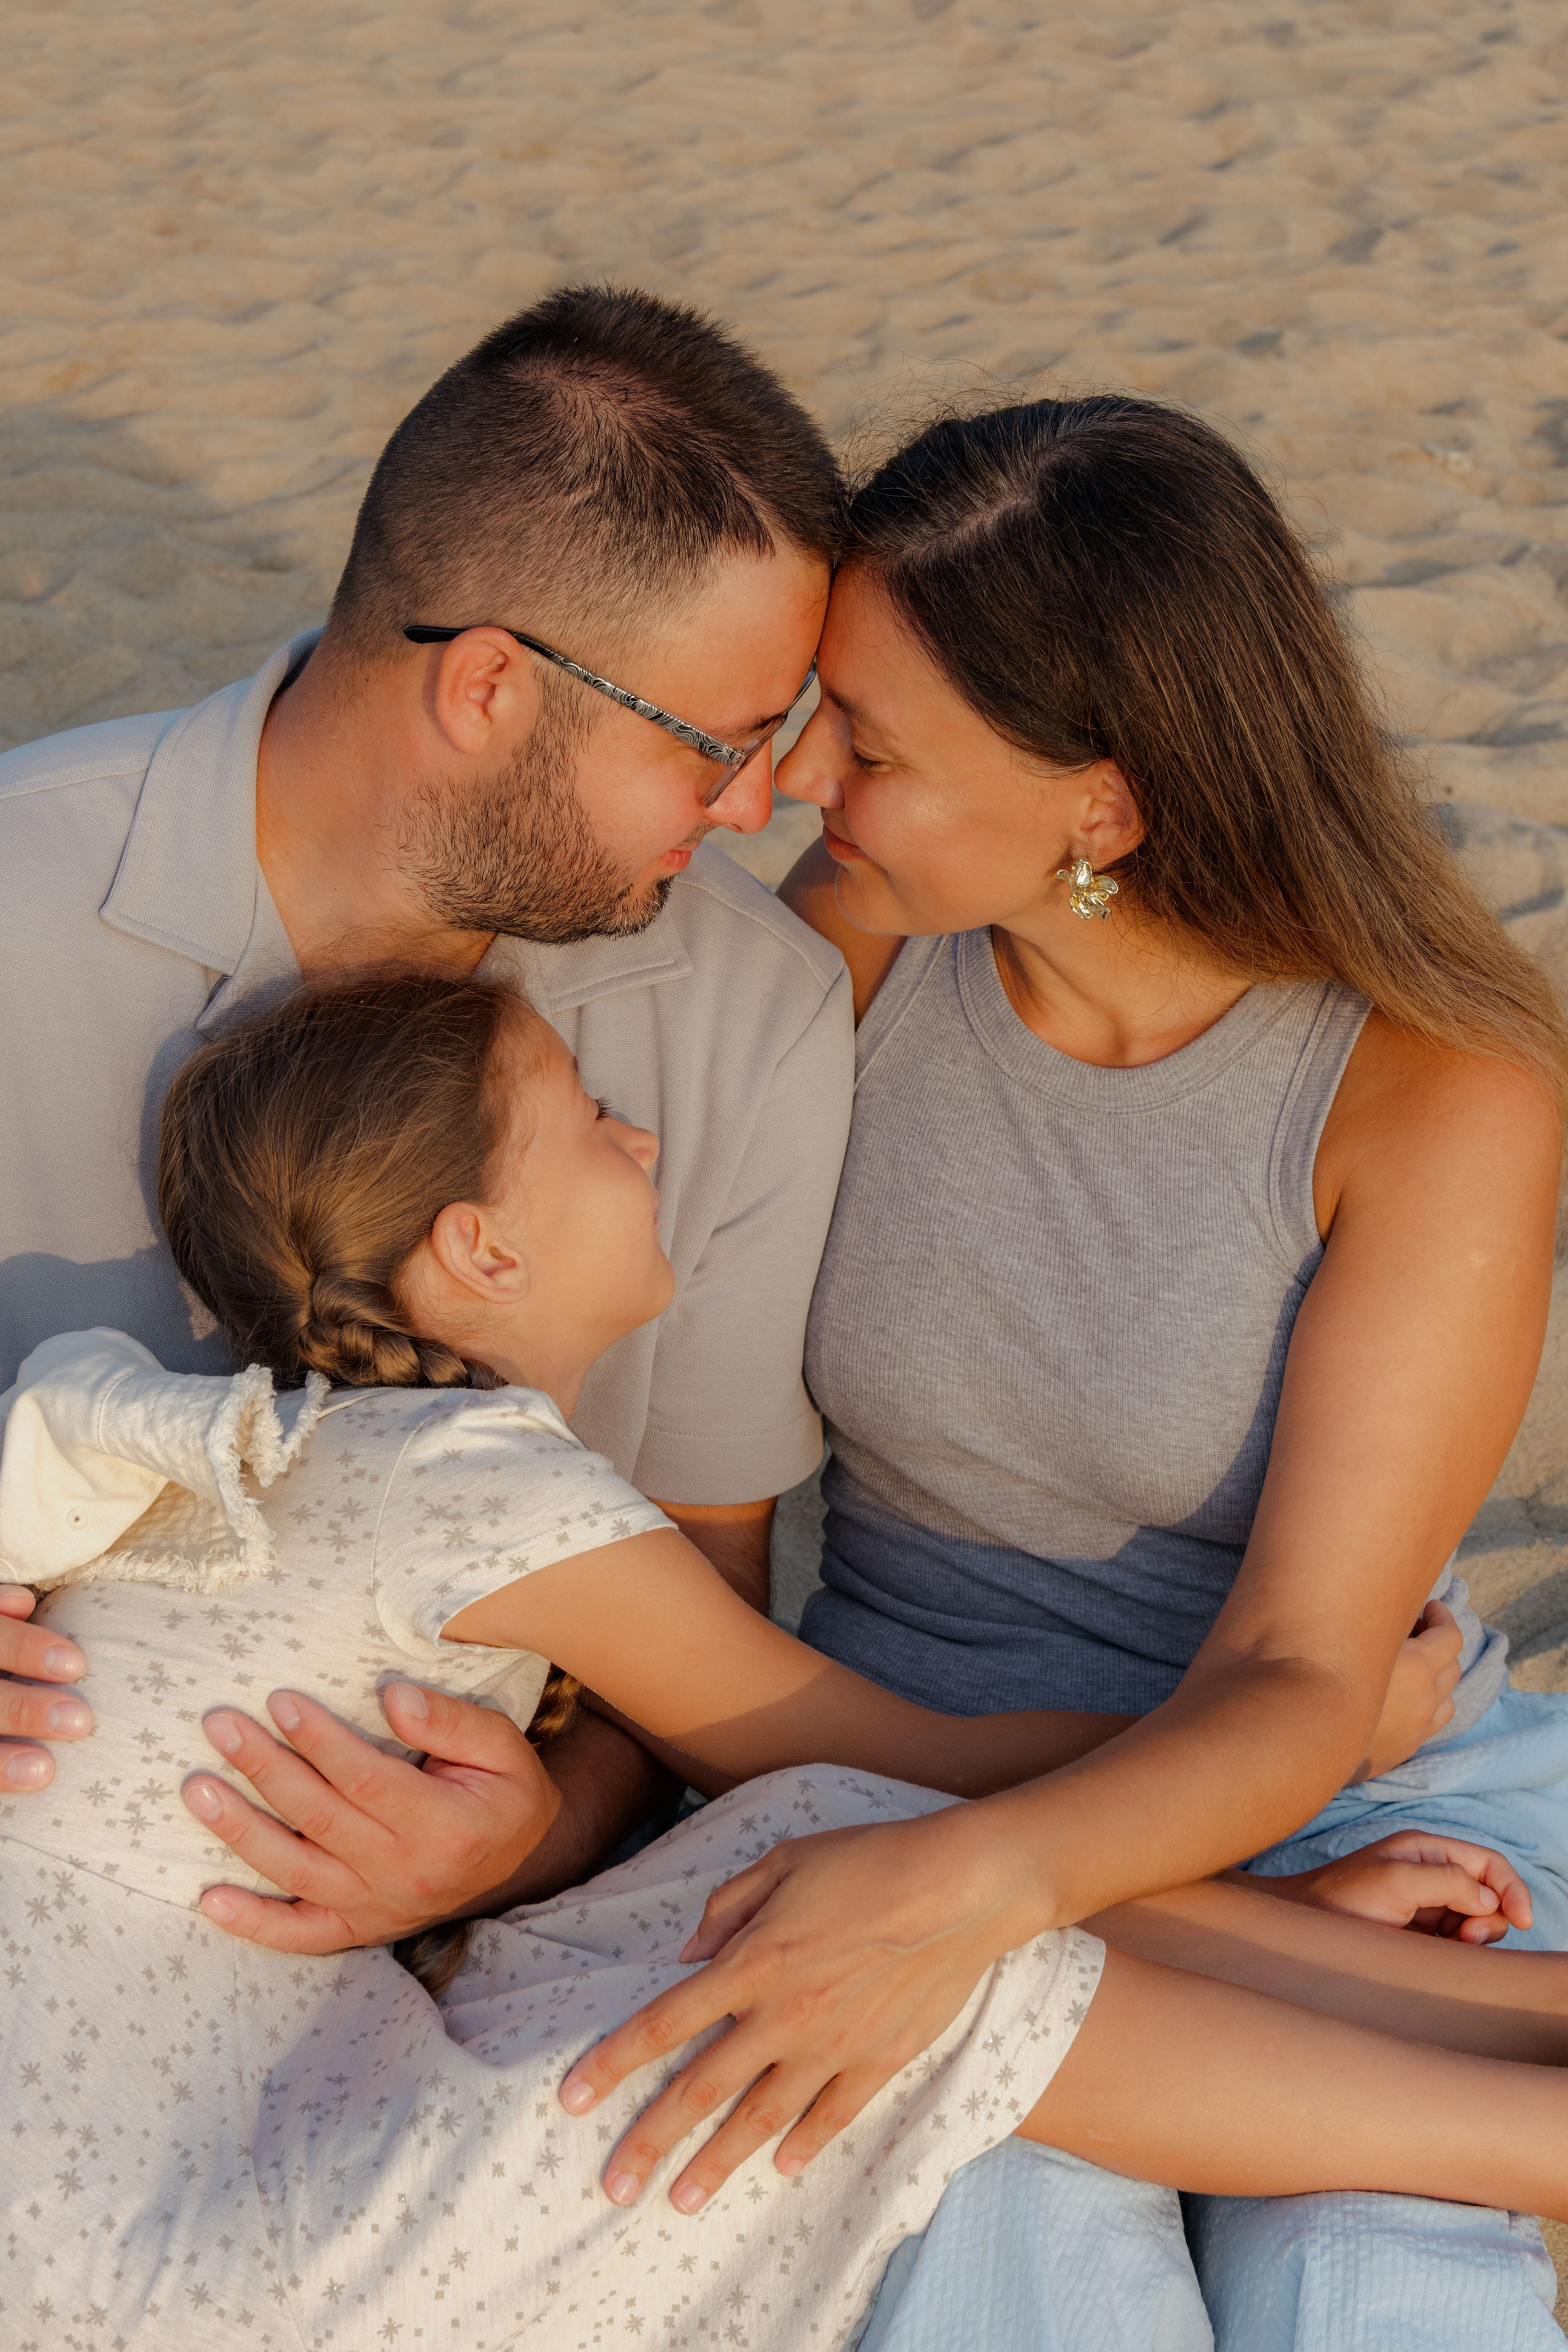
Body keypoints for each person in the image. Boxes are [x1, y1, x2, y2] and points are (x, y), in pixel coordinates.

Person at [7, 967, 1568, 2352]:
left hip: (154, 2179)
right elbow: (884, 1751)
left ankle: (1469, 1996)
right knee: (847, 1946)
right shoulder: (463, 1480)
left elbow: (821, 1791)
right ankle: (1525, 2132)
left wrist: (1250, 1894)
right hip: (202, 2255)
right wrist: (1307, 1733)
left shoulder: (267, 1455)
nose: (644, 1145)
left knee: (819, 1852)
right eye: (591, 1121)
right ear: (478, 1245)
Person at [560, 396, 1568, 2349]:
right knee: (1010, 2254)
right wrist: (926, 1864)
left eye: (871, 742)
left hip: (1354, 1806)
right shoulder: (846, 956)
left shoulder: (1433, 1090)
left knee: (1372, 2284)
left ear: (1099, 806)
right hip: (880, 1780)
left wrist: (987, 1880)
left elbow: (1301, 1674)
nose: (790, 787)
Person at [0, 284, 852, 1928]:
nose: (759, 810)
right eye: (717, 744)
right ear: (486, 691)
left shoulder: (756, 1016)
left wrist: (521, 1846)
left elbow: (695, 1631)